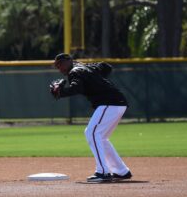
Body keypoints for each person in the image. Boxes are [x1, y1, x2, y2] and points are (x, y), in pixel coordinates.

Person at [50, 53, 132, 182]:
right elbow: (106, 67)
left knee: (92, 133)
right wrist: (95, 77)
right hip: (116, 103)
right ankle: (121, 171)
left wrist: (61, 92)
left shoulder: (74, 72)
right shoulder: (85, 67)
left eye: (60, 64)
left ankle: (103, 172)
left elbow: (77, 88)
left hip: (109, 103)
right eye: (57, 66)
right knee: (101, 137)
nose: (59, 68)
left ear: (69, 61)